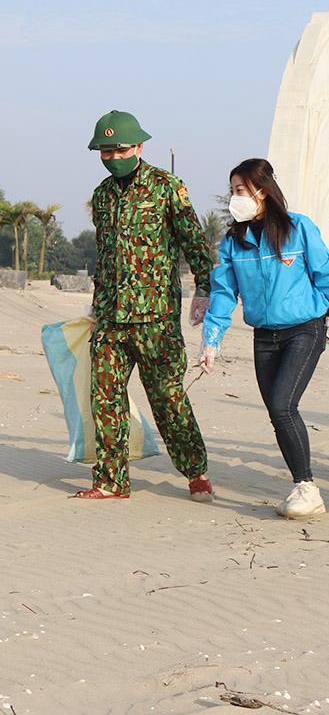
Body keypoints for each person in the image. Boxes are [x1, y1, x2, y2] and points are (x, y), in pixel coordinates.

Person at [198, 158, 329, 518]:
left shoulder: (299, 229)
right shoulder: (233, 243)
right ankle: (301, 486)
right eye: (232, 192)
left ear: (262, 191)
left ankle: (307, 488)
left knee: (283, 404)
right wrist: (211, 340)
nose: (235, 198)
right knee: (277, 412)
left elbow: (328, 277)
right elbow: (224, 293)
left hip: (305, 329)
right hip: (263, 336)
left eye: (240, 190)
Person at [79, 110, 215, 501]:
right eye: (105, 151)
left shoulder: (167, 186)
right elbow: (106, 255)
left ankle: (195, 470)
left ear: (139, 147)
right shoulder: (102, 196)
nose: (112, 156)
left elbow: (194, 242)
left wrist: (203, 290)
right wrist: (95, 304)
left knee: (168, 398)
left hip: (155, 319)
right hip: (109, 317)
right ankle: (110, 480)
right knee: (104, 397)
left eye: (119, 148)